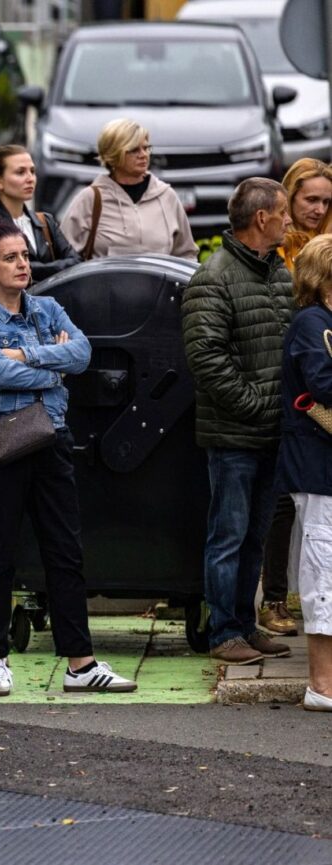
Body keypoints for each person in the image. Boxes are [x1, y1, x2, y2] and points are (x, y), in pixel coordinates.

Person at [0, 214, 137, 697]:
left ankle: (81, 664)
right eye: (10, 258)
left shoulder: (48, 308)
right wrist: (51, 368)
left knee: (65, 551)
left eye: (24, 255)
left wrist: (26, 356)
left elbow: (81, 355)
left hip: (50, 438)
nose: (23, 265)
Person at [182, 177, 295, 666]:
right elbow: (207, 360)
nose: (289, 221)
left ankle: (245, 626)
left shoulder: (280, 273)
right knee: (228, 536)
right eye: (283, 212)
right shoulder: (213, 278)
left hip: (272, 433)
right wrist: (258, 406)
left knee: (254, 536)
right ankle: (224, 633)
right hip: (234, 435)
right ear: (261, 218)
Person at [259, 159, 332, 637]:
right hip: (284, 389)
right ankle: (274, 598)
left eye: (327, 201)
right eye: (311, 199)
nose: (319, 208)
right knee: (286, 507)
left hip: (303, 390)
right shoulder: (280, 254)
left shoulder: (325, 245)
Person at [276, 234, 332, 710]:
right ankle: (321, 685)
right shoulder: (312, 322)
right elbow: (323, 383)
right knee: (323, 572)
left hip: (322, 465)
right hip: (317, 466)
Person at [61, 119, 196, 261]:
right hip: (104, 277)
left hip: (161, 277)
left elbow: (187, 255)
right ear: (113, 154)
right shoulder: (90, 199)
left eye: (146, 148)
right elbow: (64, 258)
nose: (143, 155)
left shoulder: (167, 196)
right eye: (134, 150)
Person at [0, 144, 81, 284]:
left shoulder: (45, 221)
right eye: (20, 172)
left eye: (32, 171)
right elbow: (0, 271)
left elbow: (76, 262)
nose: (30, 179)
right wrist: (55, 270)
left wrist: (33, 269)